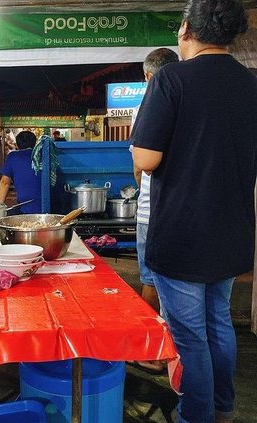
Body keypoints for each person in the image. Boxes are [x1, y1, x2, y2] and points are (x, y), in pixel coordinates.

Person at [130, 1, 256, 422]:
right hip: (232, 231)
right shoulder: (251, 83)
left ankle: (195, 415)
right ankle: (223, 410)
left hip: (183, 234)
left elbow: (146, 159)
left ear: (186, 29)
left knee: (189, 335)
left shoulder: (172, 79)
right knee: (218, 323)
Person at [130, 48, 179, 375]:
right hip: (185, 211)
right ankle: (173, 351)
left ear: (148, 76)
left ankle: (150, 351)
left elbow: (140, 166)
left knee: (150, 280)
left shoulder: (147, 107)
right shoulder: (192, 102)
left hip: (152, 210)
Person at [0, 130, 41, 214]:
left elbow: (5, 182)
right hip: (49, 206)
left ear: (17, 144)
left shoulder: (13, 157)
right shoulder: (43, 155)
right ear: (35, 143)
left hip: (26, 209)